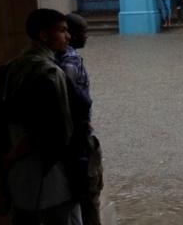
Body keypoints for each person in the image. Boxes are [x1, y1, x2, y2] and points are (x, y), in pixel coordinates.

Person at [0, 8, 83, 224]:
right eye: (62, 30)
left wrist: (6, 163)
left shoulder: (10, 68)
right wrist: (11, 157)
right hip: (50, 175)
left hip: (20, 178)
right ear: (44, 35)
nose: (68, 36)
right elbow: (50, 129)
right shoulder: (49, 74)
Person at [57, 13, 103, 225]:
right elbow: (72, 101)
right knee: (90, 196)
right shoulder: (71, 60)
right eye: (83, 32)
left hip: (73, 140)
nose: (87, 36)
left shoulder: (59, 58)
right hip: (81, 139)